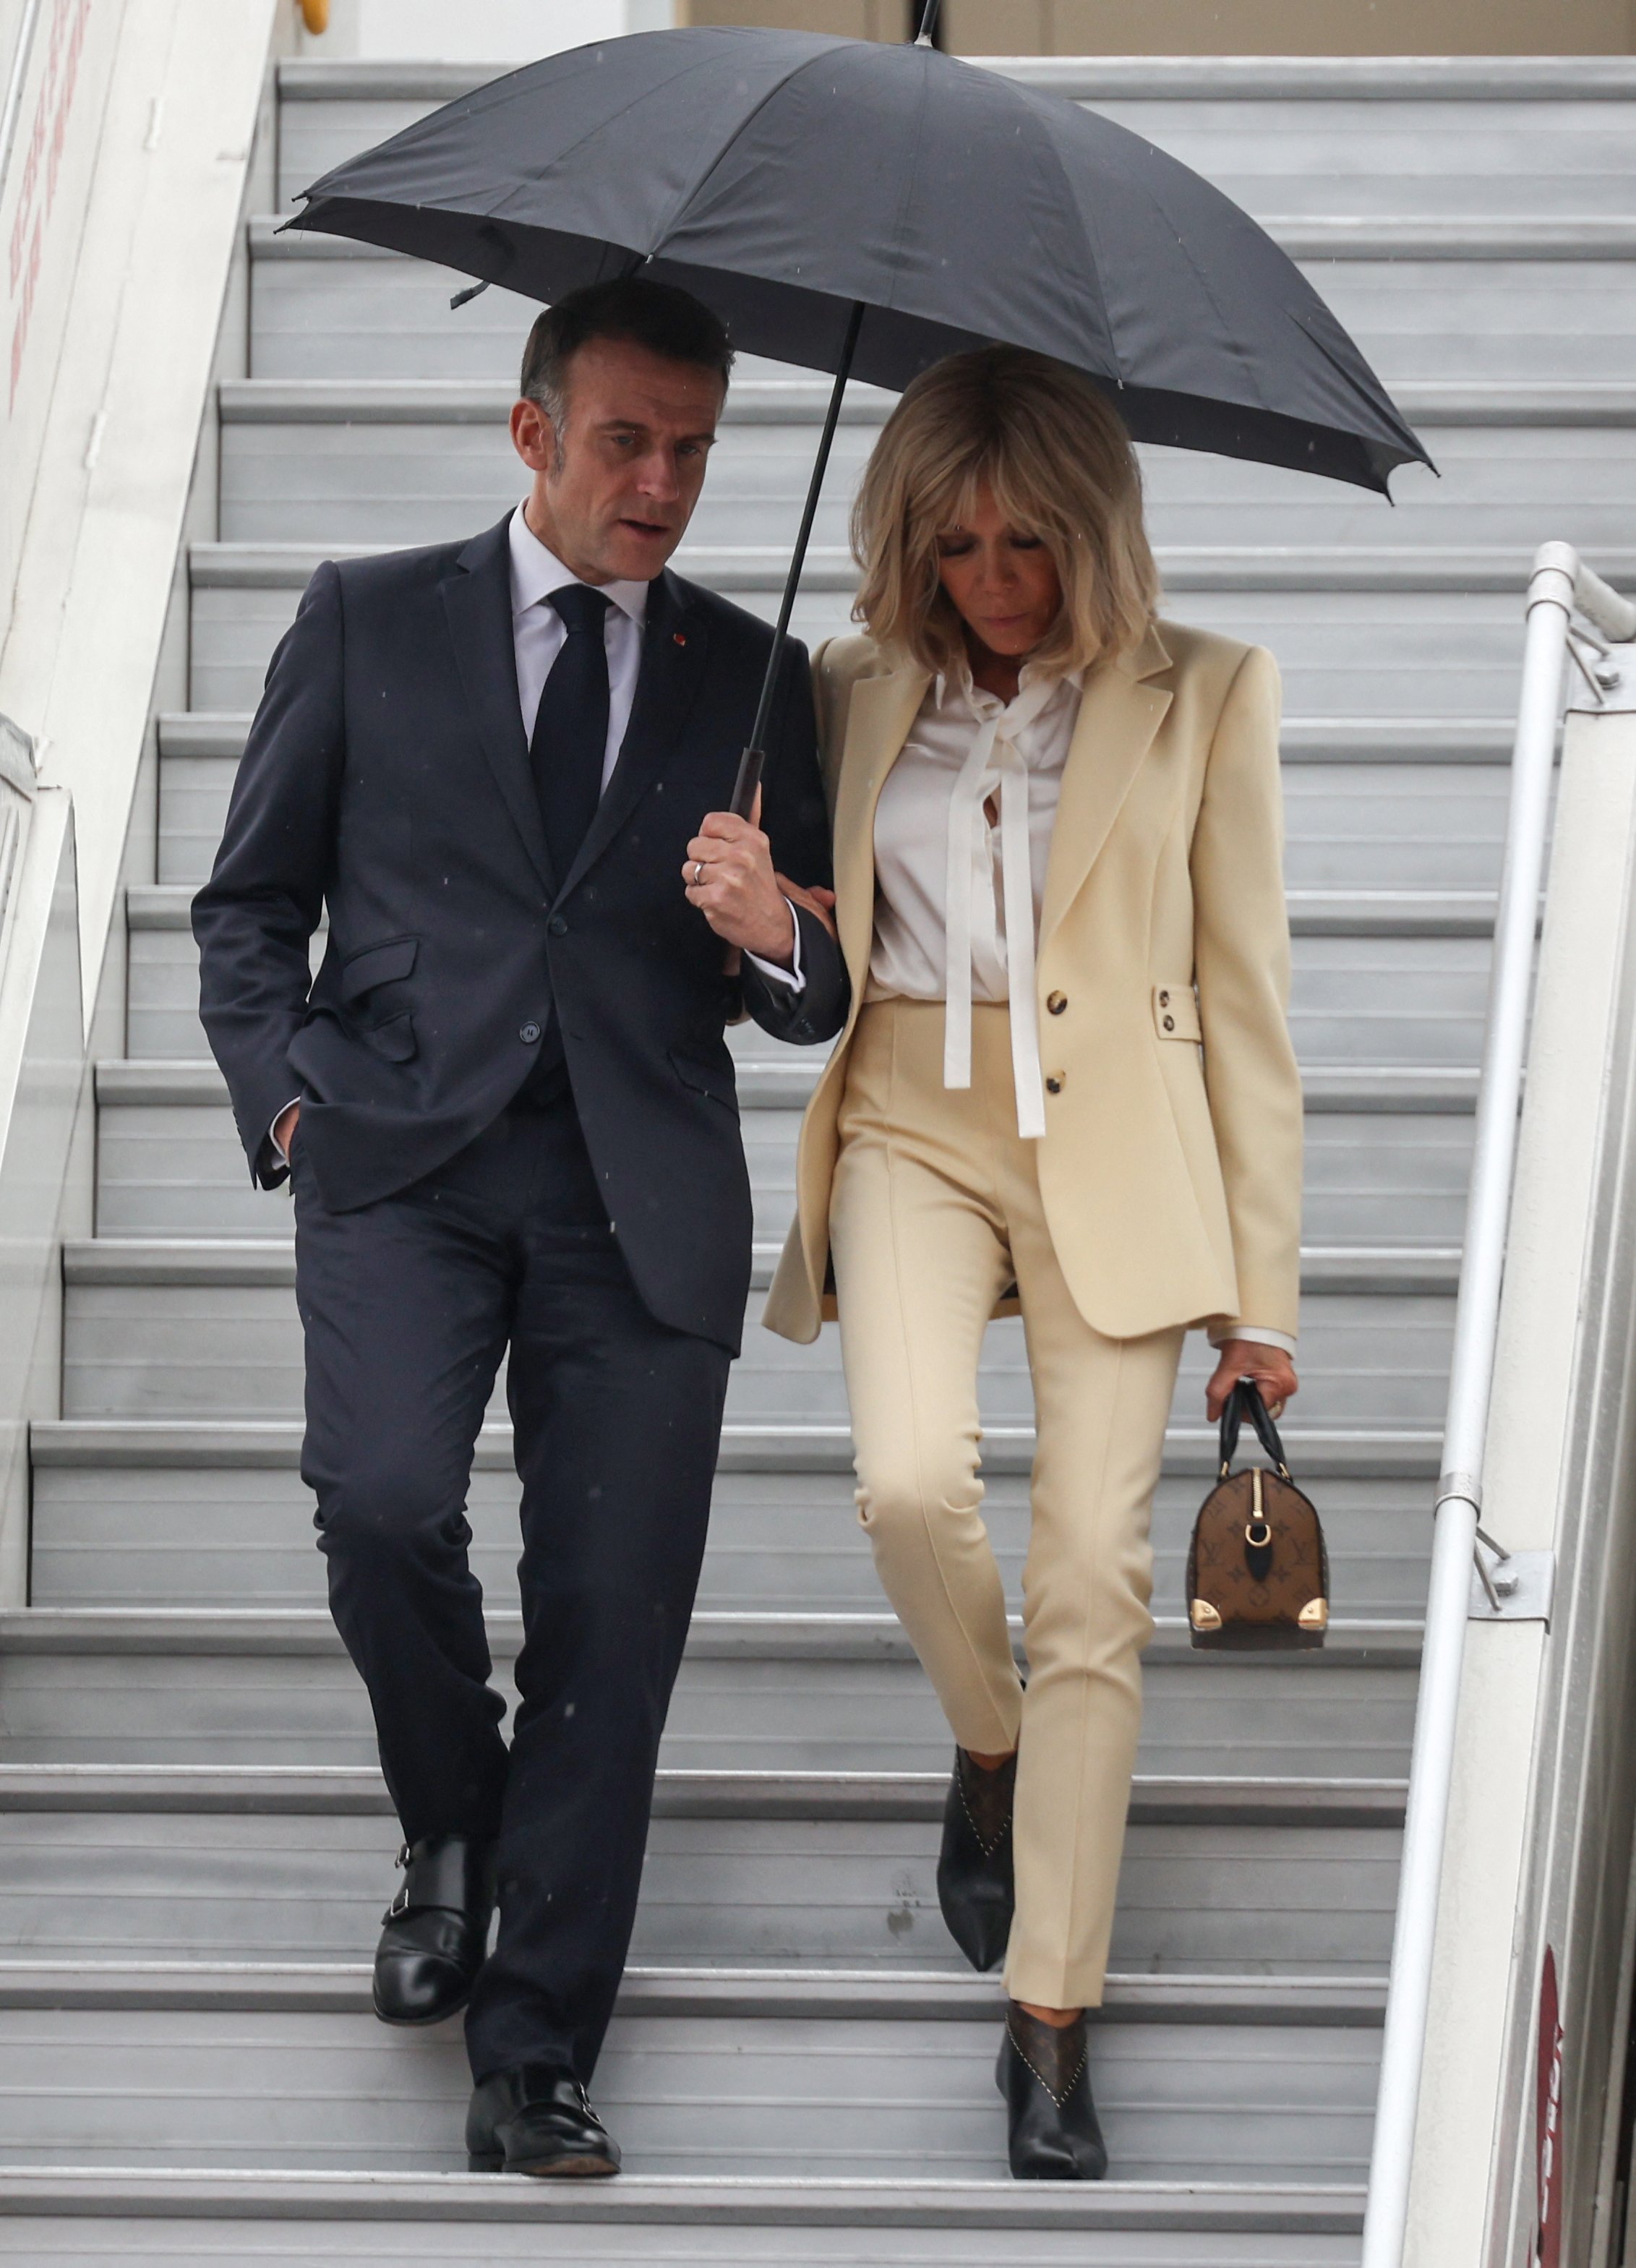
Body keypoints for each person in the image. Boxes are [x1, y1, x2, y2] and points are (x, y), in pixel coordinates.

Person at [192, 276, 848, 2178]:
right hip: (402, 1157)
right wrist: (288, 1103)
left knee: (610, 1626)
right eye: (626, 441)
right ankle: (456, 1820)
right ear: (532, 430)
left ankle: (535, 2048)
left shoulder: (756, 677)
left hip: (637, 1196)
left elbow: (815, 994)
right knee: (384, 1504)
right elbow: (249, 908)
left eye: (693, 450)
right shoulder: (366, 617)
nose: (662, 485)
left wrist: (774, 929)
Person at [763, 346, 1301, 2181]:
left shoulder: (1206, 690)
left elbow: (1247, 1005)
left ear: (1093, 532)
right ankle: (987, 1742)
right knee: (911, 1485)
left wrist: (1262, 1301)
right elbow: (803, 947)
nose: (992, 581)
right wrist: (763, 915)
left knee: (1090, 1572)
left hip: (1120, 1147)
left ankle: (1050, 2014)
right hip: (907, 1117)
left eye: (1026, 543)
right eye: (955, 544)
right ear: (906, 542)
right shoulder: (845, 686)